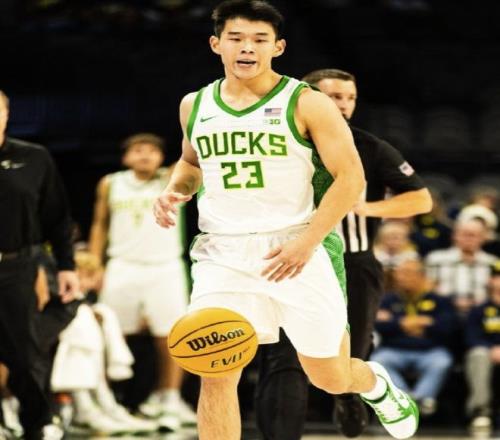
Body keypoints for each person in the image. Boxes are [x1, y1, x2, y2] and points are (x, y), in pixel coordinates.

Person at [153, 3, 420, 440]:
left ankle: (375, 384)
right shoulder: (194, 104)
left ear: (277, 47)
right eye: (236, 38)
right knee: (215, 369)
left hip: (298, 245)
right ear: (216, 44)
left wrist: (308, 242)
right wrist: (175, 189)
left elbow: (351, 179)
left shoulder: (308, 102)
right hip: (223, 251)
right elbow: (191, 162)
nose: (247, 48)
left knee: (329, 375)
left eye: (259, 40)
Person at [255, 68, 432, 439]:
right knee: (284, 357)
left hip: (354, 264)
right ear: (308, 98)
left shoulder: (369, 146)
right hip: (291, 258)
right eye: (335, 96)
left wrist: (367, 208)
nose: (344, 104)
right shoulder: (276, 141)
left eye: (350, 98)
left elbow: (421, 199)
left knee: (349, 355)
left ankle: (352, 397)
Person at [88, 133, 196, 431]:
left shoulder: (172, 178)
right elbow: (100, 224)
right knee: (109, 335)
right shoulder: (111, 183)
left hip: (165, 267)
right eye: (137, 150)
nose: (145, 155)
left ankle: (169, 398)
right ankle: (105, 399)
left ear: (161, 157)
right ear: (125, 157)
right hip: (121, 265)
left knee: (172, 335)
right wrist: (95, 264)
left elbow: (195, 155)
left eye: (152, 150)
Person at [0, 89, 79, 439]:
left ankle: (39, 423)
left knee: (24, 353)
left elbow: (57, 217)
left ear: (7, 114)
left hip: (17, 267)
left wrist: (66, 266)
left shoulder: (33, 158)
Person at [371, 258, 457, 417]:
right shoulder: (387, 300)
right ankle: (408, 399)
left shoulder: (439, 300)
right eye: (399, 274)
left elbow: (446, 328)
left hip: (430, 351)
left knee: (442, 362)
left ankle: (416, 399)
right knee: (379, 360)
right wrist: (416, 322)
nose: (401, 278)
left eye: (407, 273)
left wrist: (398, 322)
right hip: (394, 349)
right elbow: (379, 326)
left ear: (422, 276)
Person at [425, 218, 498, 316]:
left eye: (473, 235)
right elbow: (427, 289)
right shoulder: (436, 259)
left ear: (483, 238)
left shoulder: (492, 263)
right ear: (455, 236)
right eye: (464, 234)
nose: (468, 239)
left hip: (480, 314)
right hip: (443, 312)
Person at [463, 261, 500, 432]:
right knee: (477, 354)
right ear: (490, 282)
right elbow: (471, 337)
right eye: (496, 277)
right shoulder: (479, 310)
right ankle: (480, 410)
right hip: (487, 352)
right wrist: (492, 348)